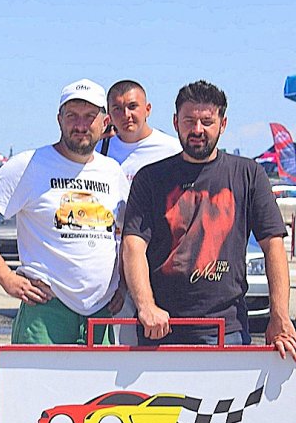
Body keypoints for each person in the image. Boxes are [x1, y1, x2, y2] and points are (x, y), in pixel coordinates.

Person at [121, 80, 296, 356]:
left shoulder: (249, 174)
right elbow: (133, 245)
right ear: (175, 122)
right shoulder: (150, 178)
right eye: (189, 121)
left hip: (228, 329)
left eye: (207, 121)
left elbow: (273, 245)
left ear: (223, 124)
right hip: (160, 329)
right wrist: (146, 306)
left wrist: (280, 316)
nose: (197, 130)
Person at [0, 80, 129, 345]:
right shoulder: (30, 165)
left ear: (105, 122)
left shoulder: (113, 172)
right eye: (72, 116)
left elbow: (127, 234)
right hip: (46, 311)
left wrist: (123, 284)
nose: (80, 125)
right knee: (37, 375)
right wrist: (6, 277)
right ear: (59, 119)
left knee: (102, 376)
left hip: (101, 312)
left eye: (89, 116)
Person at [100, 80, 180, 344]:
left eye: (132, 106)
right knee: (120, 351)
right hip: (115, 271)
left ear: (148, 109)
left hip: (158, 261)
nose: (126, 115)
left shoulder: (172, 150)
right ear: (108, 115)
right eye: (117, 109)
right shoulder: (99, 152)